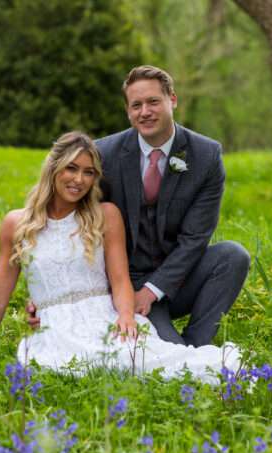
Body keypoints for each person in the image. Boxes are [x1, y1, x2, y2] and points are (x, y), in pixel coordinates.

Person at [0, 131, 241, 382]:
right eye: (71, 168)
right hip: (55, 327)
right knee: (80, 367)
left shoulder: (105, 215)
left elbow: (119, 278)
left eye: (88, 172)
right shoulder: (16, 224)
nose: (79, 179)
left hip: (104, 314)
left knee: (151, 364)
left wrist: (126, 316)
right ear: (53, 168)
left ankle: (203, 354)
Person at [27, 65, 250, 347]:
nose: (145, 112)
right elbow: (66, 219)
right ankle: (177, 347)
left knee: (232, 256)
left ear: (173, 99)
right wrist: (48, 295)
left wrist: (153, 290)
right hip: (123, 285)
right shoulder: (103, 154)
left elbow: (195, 237)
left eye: (153, 102)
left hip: (178, 278)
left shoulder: (206, 156)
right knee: (166, 353)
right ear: (128, 111)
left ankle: (198, 345)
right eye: (136, 105)